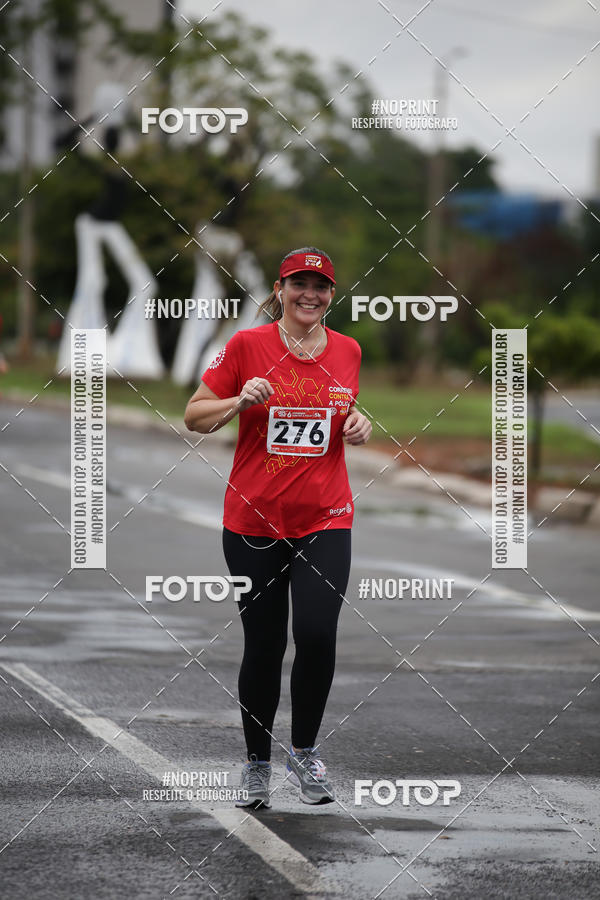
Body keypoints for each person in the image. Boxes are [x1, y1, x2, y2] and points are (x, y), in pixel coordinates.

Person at [184, 246, 371, 808]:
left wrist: (358, 423)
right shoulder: (247, 345)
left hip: (325, 516)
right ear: (279, 288)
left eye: (321, 286)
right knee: (264, 645)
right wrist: (239, 400)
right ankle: (257, 764)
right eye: (299, 285)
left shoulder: (348, 350)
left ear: (331, 295)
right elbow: (193, 415)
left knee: (316, 635)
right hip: (253, 519)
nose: (309, 295)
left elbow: (342, 413)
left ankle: (306, 756)